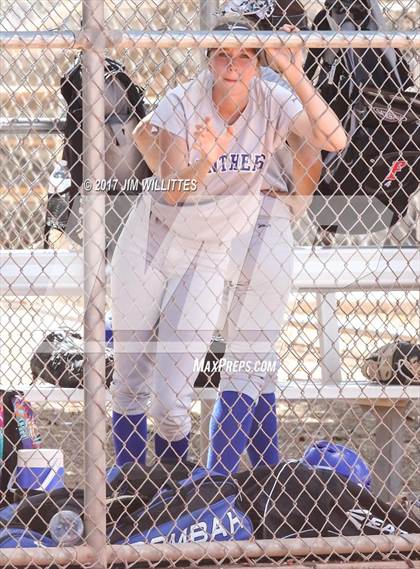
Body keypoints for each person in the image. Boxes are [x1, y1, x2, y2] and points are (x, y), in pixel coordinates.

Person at [111, 15, 347, 467]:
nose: (233, 65)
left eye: (245, 55)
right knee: (129, 381)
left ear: (258, 62)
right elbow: (176, 190)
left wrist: (294, 72)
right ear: (208, 57)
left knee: (171, 404)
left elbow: (333, 139)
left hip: (208, 252)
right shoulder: (185, 100)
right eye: (222, 53)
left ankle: (176, 504)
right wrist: (207, 158)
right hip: (155, 240)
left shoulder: (271, 98)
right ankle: (130, 489)